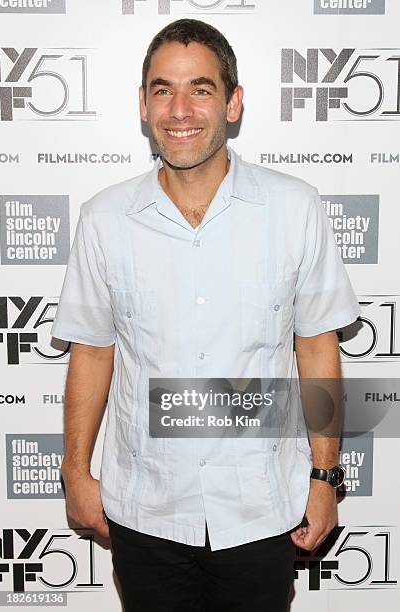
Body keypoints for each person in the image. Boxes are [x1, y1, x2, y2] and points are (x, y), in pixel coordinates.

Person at [51, 18, 361, 612]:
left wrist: (324, 480)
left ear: (234, 102)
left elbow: (317, 348)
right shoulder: (104, 218)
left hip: (261, 508)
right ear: (142, 105)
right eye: (163, 89)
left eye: (201, 88)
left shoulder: (294, 208)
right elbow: (92, 352)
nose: (180, 109)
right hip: (145, 506)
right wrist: (76, 474)